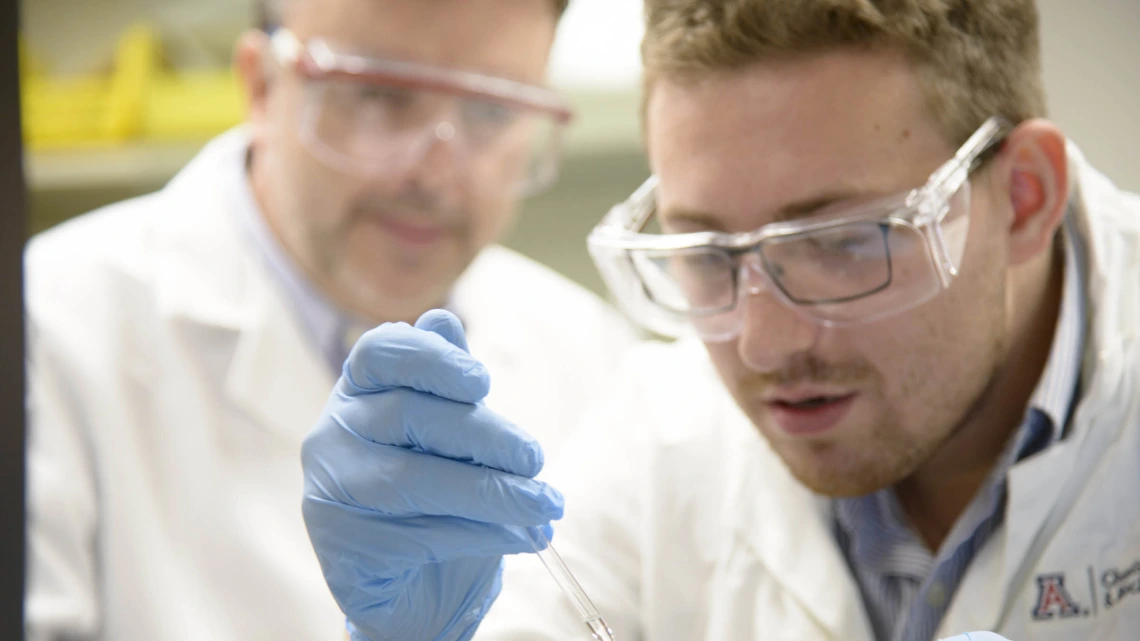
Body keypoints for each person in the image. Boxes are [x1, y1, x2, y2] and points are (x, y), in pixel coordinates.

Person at [299, 0, 1140, 640]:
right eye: (705, 251)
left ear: (1024, 198)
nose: (762, 342)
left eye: (843, 242)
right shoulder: (661, 438)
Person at [22, 0, 637, 639]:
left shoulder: (592, 352)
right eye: (378, 93)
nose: (433, 172)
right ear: (262, 86)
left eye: (493, 108)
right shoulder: (45, 328)